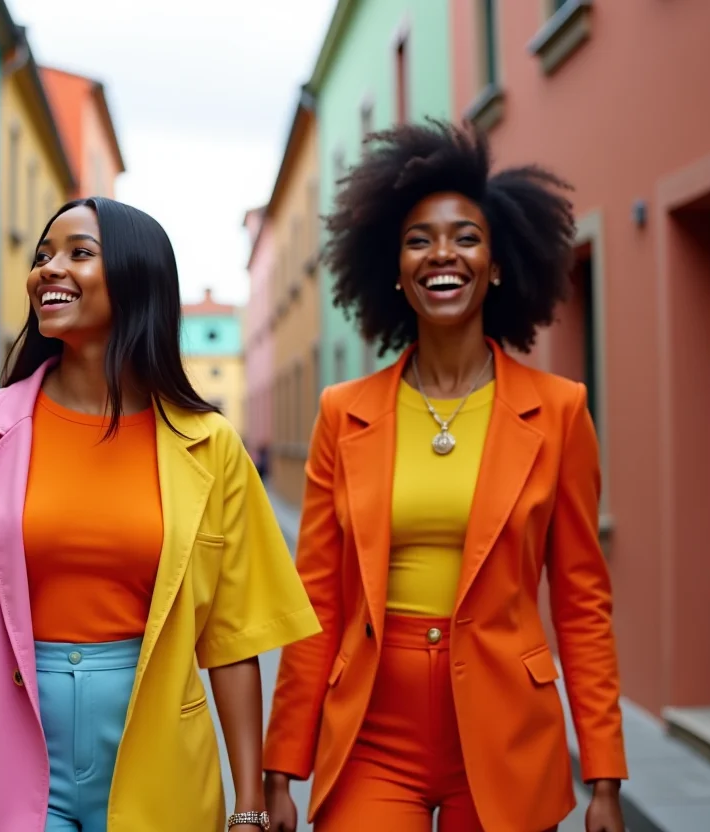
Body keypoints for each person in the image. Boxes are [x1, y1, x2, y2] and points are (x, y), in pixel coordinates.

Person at [0, 197, 321, 832]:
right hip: (6, 738)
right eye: (42, 255)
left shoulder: (210, 446)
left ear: (136, 277)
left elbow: (235, 639)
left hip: (158, 746)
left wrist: (250, 801)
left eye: (79, 253)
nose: (49, 269)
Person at [262, 121, 628, 832]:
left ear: (496, 264)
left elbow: (583, 602)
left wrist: (606, 776)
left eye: (466, 236)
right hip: (372, 729)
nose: (442, 253)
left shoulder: (559, 412)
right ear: (395, 271)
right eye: (418, 239)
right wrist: (282, 766)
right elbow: (316, 600)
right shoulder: (344, 413)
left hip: (506, 730)